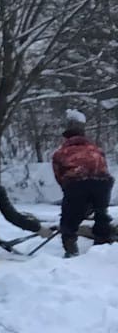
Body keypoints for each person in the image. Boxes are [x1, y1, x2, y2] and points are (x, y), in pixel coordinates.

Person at [52, 110, 114, 258]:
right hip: (103, 183)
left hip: (76, 182)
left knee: (69, 218)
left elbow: (59, 176)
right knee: (101, 213)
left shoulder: (61, 153)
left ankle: (71, 248)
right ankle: (103, 244)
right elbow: (104, 169)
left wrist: (71, 197)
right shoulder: (96, 149)